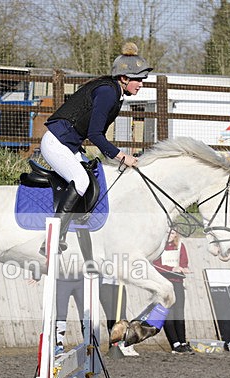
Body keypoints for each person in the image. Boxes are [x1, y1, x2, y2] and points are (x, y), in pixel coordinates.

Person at [39, 42, 152, 253]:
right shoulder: (108, 93)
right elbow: (94, 134)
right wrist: (121, 156)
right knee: (80, 180)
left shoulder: (115, 94)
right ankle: (52, 239)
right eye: (137, 79)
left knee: (96, 176)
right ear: (124, 78)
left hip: (69, 145)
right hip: (56, 143)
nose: (141, 84)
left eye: (142, 80)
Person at [152, 229, 192, 353]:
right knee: (168, 313)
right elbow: (156, 264)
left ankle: (183, 341)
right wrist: (171, 268)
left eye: (173, 233)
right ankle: (174, 343)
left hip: (177, 282)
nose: (170, 235)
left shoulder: (180, 246)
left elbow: (184, 261)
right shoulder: (158, 247)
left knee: (179, 313)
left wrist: (183, 268)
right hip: (164, 283)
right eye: (169, 233)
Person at [55, 274, 84, 354]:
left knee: (85, 314)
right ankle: (59, 346)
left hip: (82, 279)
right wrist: (37, 275)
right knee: (61, 314)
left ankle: (89, 342)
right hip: (62, 280)